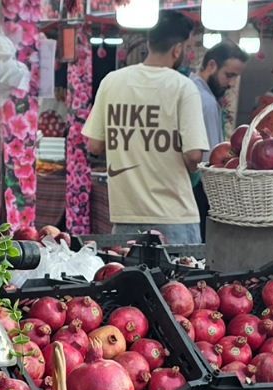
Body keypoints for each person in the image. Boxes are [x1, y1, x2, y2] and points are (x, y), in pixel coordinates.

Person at [83, 11, 208, 245]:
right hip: (175, 215)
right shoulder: (183, 87)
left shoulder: (112, 81)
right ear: (178, 49)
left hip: (125, 214)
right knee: (179, 281)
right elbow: (193, 155)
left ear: (149, 43)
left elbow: (95, 145)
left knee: (127, 280)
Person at [191, 42, 246, 238]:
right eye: (229, 75)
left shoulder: (189, 89)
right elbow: (213, 158)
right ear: (212, 65)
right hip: (201, 187)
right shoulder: (205, 101)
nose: (231, 83)